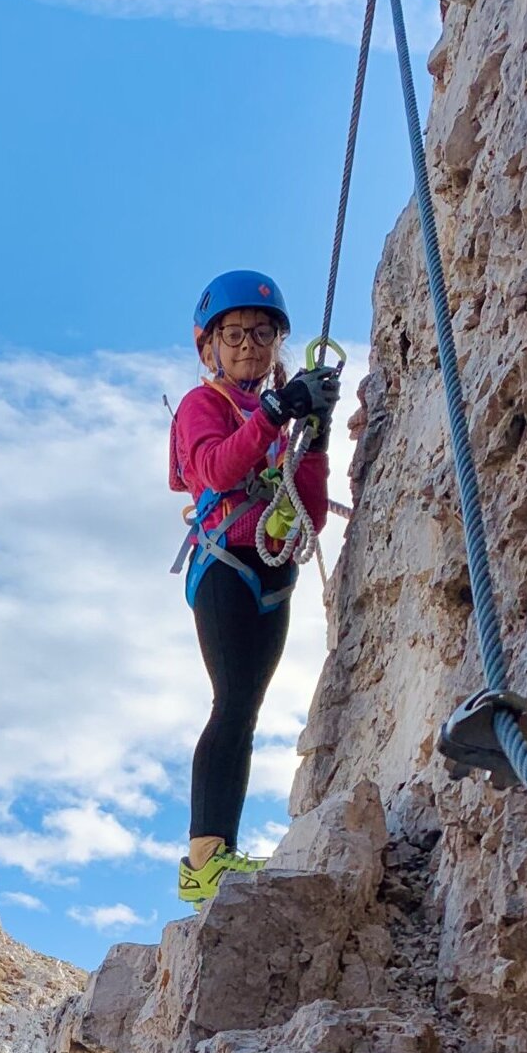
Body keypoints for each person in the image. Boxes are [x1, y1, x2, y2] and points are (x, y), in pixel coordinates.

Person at [168, 269, 338, 905]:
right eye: (234, 333)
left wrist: (312, 435)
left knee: (245, 710)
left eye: (262, 334)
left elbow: (312, 512)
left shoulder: (274, 419)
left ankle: (219, 854)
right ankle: (204, 858)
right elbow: (211, 466)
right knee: (232, 702)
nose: (248, 345)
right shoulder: (201, 406)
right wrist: (274, 412)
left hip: (274, 572)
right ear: (208, 344)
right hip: (227, 566)